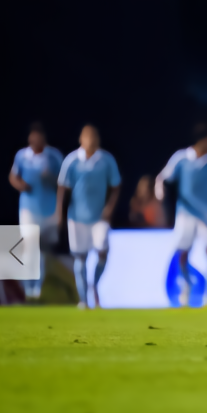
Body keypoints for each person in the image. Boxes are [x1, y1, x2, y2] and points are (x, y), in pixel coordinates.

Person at [155, 124, 207, 307]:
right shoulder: (181, 158)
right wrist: (160, 193)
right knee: (183, 253)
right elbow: (163, 178)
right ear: (203, 140)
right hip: (186, 215)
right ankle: (186, 285)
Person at [57, 125, 121, 309]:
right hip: (77, 217)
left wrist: (109, 208)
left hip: (99, 217)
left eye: (94, 136)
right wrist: (59, 212)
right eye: (88, 136)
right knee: (80, 258)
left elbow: (116, 185)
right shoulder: (72, 160)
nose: (91, 140)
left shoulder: (106, 160)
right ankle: (83, 299)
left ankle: (95, 284)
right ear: (81, 139)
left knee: (102, 252)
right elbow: (62, 187)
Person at [9, 122, 63, 300]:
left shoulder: (53, 156)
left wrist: (50, 177)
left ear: (43, 138)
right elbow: (13, 176)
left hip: (49, 210)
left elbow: (63, 183)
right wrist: (21, 185)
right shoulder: (22, 156)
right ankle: (28, 288)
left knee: (43, 251)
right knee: (29, 247)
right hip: (28, 209)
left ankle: (38, 288)